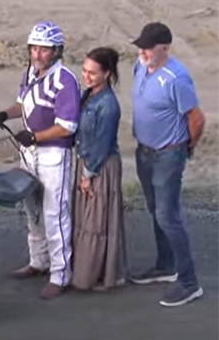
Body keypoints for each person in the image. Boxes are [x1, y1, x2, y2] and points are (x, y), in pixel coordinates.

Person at [0, 20, 81, 299]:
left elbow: (68, 125)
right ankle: (38, 262)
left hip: (54, 155)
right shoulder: (29, 73)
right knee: (32, 210)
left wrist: (36, 137)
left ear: (56, 51)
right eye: (35, 48)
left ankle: (61, 274)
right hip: (29, 153)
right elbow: (22, 104)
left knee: (55, 214)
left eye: (44, 50)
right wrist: (4, 115)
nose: (38, 54)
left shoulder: (65, 81)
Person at [126, 22, 206, 307]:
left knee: (168, 216)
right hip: (144, 153)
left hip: (167, 156)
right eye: (141, 46)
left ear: (165, 48)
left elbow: (196, 119)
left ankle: (188, 282)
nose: (143, 51)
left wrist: (186, 147)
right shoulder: (140, 67)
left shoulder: (177, 78)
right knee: (154, 210)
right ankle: (166, 265)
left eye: (148, 47)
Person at [71, 47, 127, 292]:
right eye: (84, 71)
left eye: (92, 73)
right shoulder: (89, 95)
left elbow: (102, 143)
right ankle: (88, 272)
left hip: (100, 167)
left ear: (107, 74)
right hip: (87, 162)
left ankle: (100, 276)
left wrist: (87, 175)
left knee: (98, 222)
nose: (87, 76)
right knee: (88, 220)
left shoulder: (108, 104)